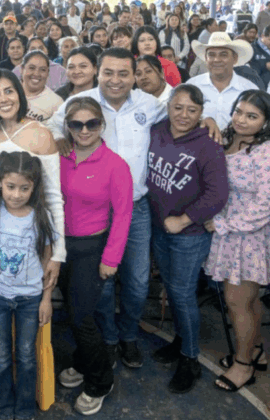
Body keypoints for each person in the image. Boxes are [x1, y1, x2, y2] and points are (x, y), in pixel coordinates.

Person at [48, 48, 172, 368]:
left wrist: (209, 119)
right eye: (108, 73)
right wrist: (58, 137)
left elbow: (183, 114)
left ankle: (128, 335)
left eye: (123, 73)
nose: (115, 80)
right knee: (99, 285)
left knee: (137, 281)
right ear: (98, 73)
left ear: (135, 76)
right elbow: (50, 127)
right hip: (94, 211)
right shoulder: (80, 102)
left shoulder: (150, 104)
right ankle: (108, 338)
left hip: (136, 208)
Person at [147, 84, 228, 393]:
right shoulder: (157, 130)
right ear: (168, 106)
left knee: (181, 294)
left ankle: (190, 358)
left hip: (189, 235)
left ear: (201, 113)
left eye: (192, 110)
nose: (183, 115)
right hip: (160, 228)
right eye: (178, 107)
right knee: (172, 289)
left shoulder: (208, 144)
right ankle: (181, 340)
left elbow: (217, 195)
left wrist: (183, 220)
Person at [57, 97, 133, 415]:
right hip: (60, 248)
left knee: (81, 317)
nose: (84, 130)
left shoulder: (116, 165)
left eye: (92, 123)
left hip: (92, 249)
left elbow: (123, 215)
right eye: (77, 124)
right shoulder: (59, 156)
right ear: (68, 126)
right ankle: (82, 360)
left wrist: (111, 259)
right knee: (75, 312)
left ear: (102, 125)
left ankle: (101, 381)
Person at [0, 151, 57, 420]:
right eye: (10, 187)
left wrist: (46, 299)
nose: (16, 195)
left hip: (30, 299)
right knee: (0, 355)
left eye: (24, 188)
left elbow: (47, 261)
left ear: (34, 187)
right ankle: (4, 410)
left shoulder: (41, 216)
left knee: (27, 355)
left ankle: (24, 412)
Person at [201, 90, 270, 393]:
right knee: (249, 300)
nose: (241, 119)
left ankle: (243, 365)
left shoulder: (264, 152)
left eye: (252, 116)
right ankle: (255, 351)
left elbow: (265, 204)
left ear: (265, 122)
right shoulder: (228, 137)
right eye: (238, 111)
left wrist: (224, 224)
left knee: (237, 301)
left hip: (248, 236)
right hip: (230, 233)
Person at [187, 33, 257, 130]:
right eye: (211, 55)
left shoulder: (249, 90)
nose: (216, 60)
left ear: (235, 59)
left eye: (223, 55)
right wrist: (202, 119)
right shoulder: (192, 86)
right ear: (206, 59)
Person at [17, 51, 63, 124]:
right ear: (22, 69)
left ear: (48, 73)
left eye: (43, 70)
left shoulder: (56, 103)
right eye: (32, 68)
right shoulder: (9, 93)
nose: (36, 74)